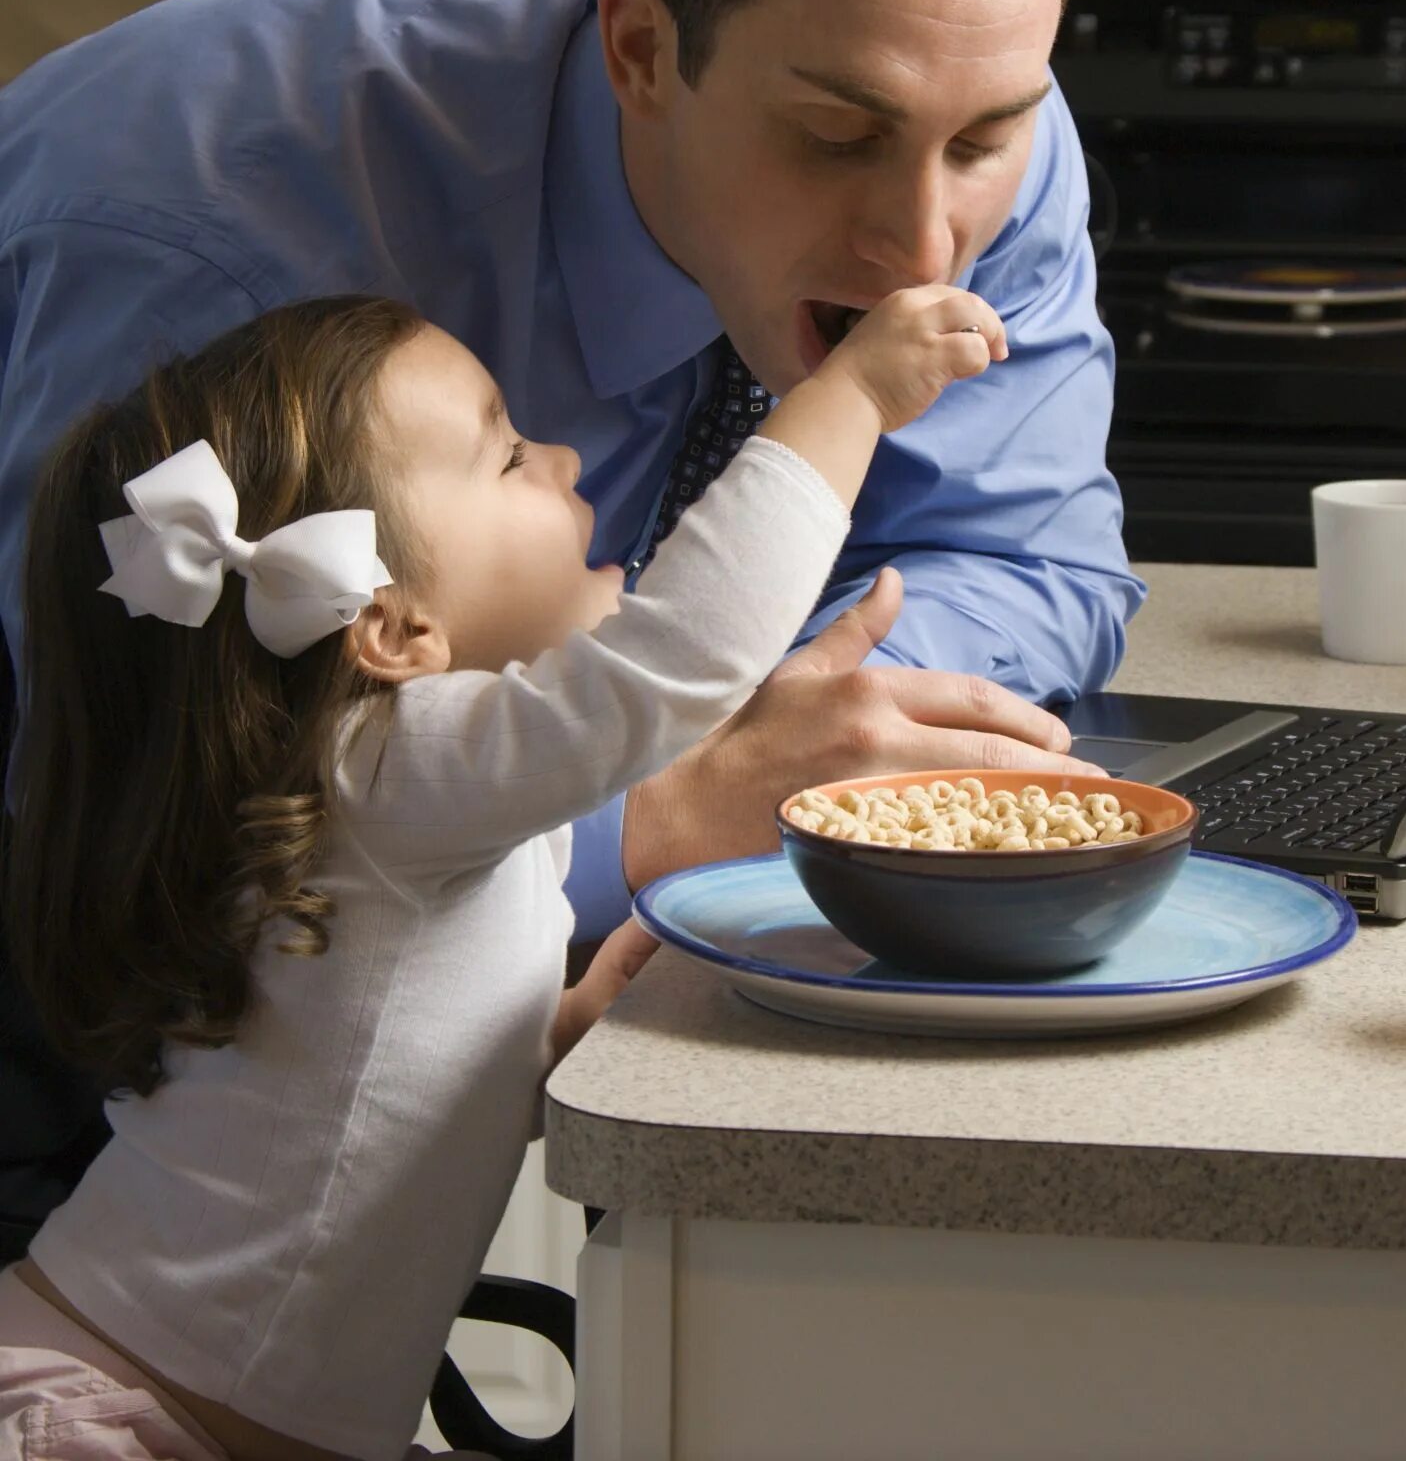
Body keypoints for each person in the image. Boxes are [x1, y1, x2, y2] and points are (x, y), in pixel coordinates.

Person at [0, 0, 1144, 1241]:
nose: (924, 242)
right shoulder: (219, 245)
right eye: (833, 139)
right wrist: (660, 812)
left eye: (985, 141)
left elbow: (1025, 563)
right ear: (642, 47)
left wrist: (794, 766)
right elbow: (147, 839)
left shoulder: (944, 76)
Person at [0, 274, 1017, 1457]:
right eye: (506, 456)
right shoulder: (384, 769)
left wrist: (544, 1037)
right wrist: (848, 396)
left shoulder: (391, 796)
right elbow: (674, 662)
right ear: (391, 627)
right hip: (108, 1413)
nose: (566, 457)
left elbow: (360, 1078)